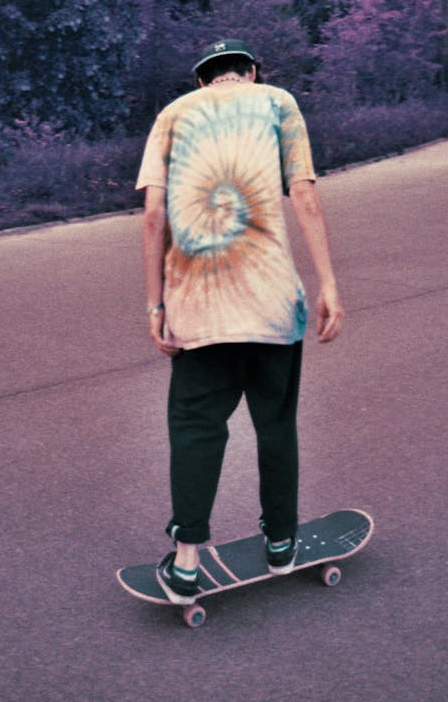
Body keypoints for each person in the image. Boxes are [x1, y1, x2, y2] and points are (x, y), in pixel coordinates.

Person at [135, 37, 344, 605]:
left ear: (205, 80)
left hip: (197, 305)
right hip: (274, 304)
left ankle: (184, 562)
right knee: (276, 422)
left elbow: (153, 217)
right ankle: (281, 543)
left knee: (196, 426)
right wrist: (328, 283)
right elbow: (304, 196)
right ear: (250, 72)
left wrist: (154, 304)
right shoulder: (279, 101)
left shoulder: (172, 114)